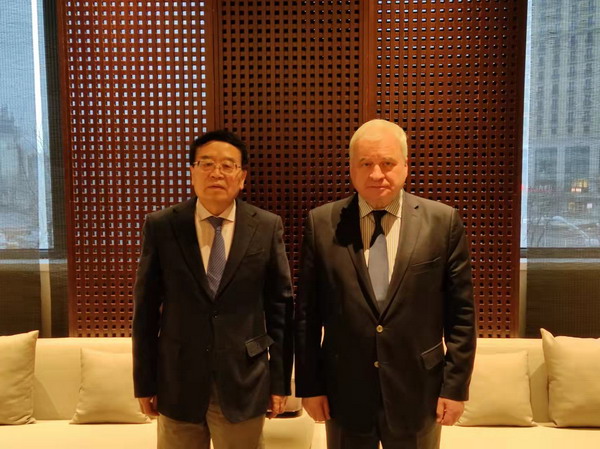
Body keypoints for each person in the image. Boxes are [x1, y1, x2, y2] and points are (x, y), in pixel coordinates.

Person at [294, 119, 476, 449]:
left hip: (419, 390)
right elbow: (307, 315)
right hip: (344, 392)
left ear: (405, 165)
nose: (377, 174)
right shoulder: (321, 224)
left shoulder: (442, 222)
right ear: (352, 169)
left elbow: (461, 315)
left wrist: (455, 387)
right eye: (366, 164)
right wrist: (310, 385)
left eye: (387, 163)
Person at [132, 130, 294, 449]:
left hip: (244, 380)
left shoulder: (266, 226)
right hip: (178, 381)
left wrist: (279, 382)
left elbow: (281, 310)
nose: (216, 173)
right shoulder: (162, 226)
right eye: (206, 163)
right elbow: (146, 310)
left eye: (227, 165)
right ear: (192, 172)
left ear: (242, 177)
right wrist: (144, 382)